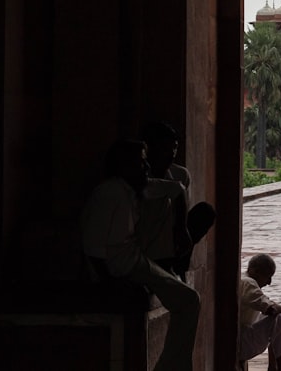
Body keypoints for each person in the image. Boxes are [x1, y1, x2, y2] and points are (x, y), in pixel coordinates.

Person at [81, 138, 200, 371]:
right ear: (123, 166)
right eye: (140, 163)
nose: (146, 168)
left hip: (135, 260)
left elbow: (175, 188)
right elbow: (92, 246)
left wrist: (181, 228)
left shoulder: (134, 188)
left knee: (189, 300)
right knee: (188, 300)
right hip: (123, 267)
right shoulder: (109, 193)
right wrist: (108, 284)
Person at [140, 121, 216, 281]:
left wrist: (182, 229)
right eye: (164, 148)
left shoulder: (180, 174)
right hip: (147, 243)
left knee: (205, 211)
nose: (171, 153)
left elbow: (180, 210)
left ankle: (178, 263)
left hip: (172, 240)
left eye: (174, 148)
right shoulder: (139, 177)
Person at [238, 254, 281, 371]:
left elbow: (267, 306)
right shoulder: (248, 283)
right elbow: (270, 309)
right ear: (255, 272)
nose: (269, 282)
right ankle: (280, 368)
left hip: (241, 338)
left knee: (276, 318)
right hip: (239, 343)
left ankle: (273, 366)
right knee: (280, 319)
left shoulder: (244, 280)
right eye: (268, 277)